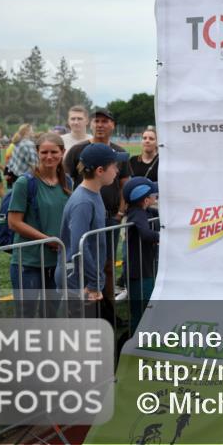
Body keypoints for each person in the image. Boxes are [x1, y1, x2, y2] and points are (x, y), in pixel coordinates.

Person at [63, 108, 133, 303]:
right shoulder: (77, 152)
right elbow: (79, 246)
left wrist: (119, 214)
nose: (100, 125)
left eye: (105, 121)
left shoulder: (119, 153)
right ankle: (92, 304)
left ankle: (106, 308)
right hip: (86, 218)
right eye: (97, 121)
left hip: (110, 218)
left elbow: (125, 185)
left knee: (106, 263)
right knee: (87, 262)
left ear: (113, 125)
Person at [59, 143, 128, 321]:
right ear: (100, 171)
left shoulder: (94, 193)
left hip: (87, 276)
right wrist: (94, 282)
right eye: (114, 166)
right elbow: (79, 247)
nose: (117, 171)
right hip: (77, 279)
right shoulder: (83, 202)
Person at [7, 133, 72, 318]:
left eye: (54, 152)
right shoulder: (25, 182)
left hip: (56, 262)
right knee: (26, 315)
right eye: (44, 152)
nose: (49, 156)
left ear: (62, 152)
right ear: (37, 153)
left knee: (51, 314)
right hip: (29, 262)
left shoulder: (68, 182)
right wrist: (48, 240)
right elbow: (14, 222)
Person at [123, 177, 159, 332]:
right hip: (139, 273)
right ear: (145, 200)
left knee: (145, 309)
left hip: (143, 270)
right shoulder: (137, 214)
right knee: (141, 313)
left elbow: (157, 214)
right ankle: (134, 341)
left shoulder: (144, 211)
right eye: (153, 194)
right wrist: (162, 236)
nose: (156, 196)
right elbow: (145, 234)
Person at [5, 124, 38, 188]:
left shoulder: (17, 142)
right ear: (26, 132)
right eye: (32, 130)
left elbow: (10, 162)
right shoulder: (29, 144)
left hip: (15, 178)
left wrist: (6, 173)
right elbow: (34, 165)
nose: (33, 132)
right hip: (26, 180)